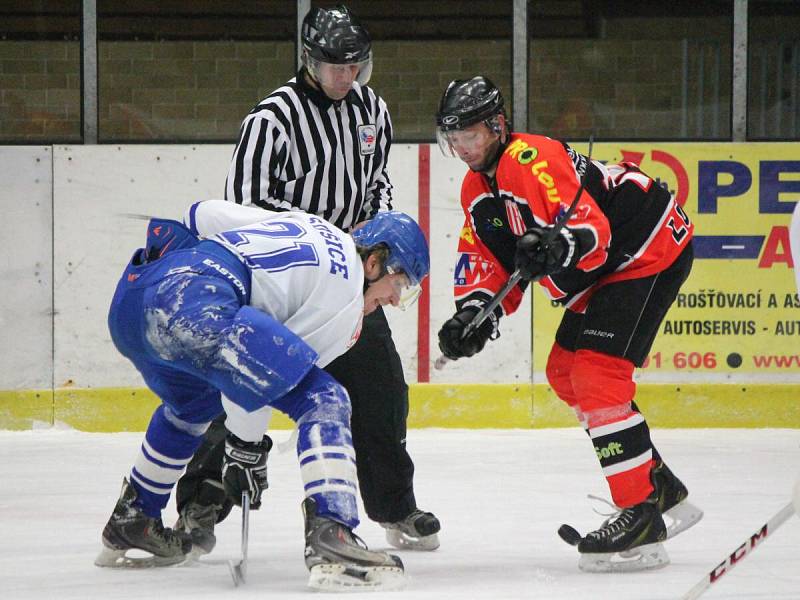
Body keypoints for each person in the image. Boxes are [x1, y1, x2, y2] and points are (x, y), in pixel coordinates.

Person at [173, 4, 440, 555]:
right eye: (335, 66)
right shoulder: (272, 118)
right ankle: (200, 506)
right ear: (309, 62)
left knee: (382, 392)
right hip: (287, 282)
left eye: (355, 66)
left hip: (355, 277)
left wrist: (372, 230)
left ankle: (393, 507)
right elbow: (245, 203)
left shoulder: (374, 112)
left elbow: (378, 184)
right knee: (244, 385)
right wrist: (318, 234)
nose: (347, 77)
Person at [434, 76, 703, 572]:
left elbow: (590, 229)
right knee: (564, 372)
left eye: (471, 135)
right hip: (603, 271)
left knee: (598, 376)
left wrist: (560, 246)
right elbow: (490, 261)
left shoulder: (530, 158)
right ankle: (658, 486)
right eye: (454, 139)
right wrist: (474, 312)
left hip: (646, 248)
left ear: (497, 126)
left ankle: (640, 516)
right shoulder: (478, 188)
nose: (463, 147)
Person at [95, 200, 429, 590]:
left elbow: (201, 214)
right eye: (400, 284)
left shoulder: (309, 224)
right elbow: (256, 380)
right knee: (324, 398)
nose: (393, 299)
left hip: (137, 299)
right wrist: (245, 446)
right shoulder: (345, 297)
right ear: (374, 263)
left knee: (192, 406)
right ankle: (332, 534)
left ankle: (134, 516)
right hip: (197, 305)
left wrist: (175, 277)